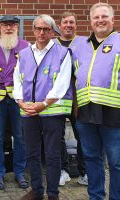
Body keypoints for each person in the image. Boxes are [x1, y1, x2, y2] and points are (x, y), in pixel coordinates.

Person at [14, 14, 72, 200]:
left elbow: (62, 84)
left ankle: (53, 194)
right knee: (31, 153)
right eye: (38, 28)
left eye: (46, 29)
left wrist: (44, 104)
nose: (41, 32)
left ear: (52, 31)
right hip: (28, 111)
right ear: (33, 30)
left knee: (53, 155)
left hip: (52, 113)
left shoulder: (62, 53)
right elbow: (17, 80)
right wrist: (20, 102)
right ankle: (37, 191)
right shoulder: (23, 54)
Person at [73, 3, 120, 200]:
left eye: (104, 16)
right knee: (92, 158)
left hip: (114, 112)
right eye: (96, 17)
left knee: (116, 162)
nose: (100, 20)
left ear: (112, 19)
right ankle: (96, 196)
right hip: (86, 112)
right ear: (90, 21)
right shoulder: (80, 46)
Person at [0, 15, 29, 190]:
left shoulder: (26, 46)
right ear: (0, 28)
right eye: (5, 25)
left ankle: (20, 172)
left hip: (19, 100)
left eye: (12, 25)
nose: (8, 28)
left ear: (17, 27)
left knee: (20, 137)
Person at [53, 11, 88, 186]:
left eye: (72, 22)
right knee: (57, 136)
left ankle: (84, 172)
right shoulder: (52, 44)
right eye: (65, 22)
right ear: (59, 26)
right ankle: (62, 170)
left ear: (76, 25)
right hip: (57, 99)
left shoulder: (85, 43)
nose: (68, 25)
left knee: (83, 135)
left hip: (78, 98)